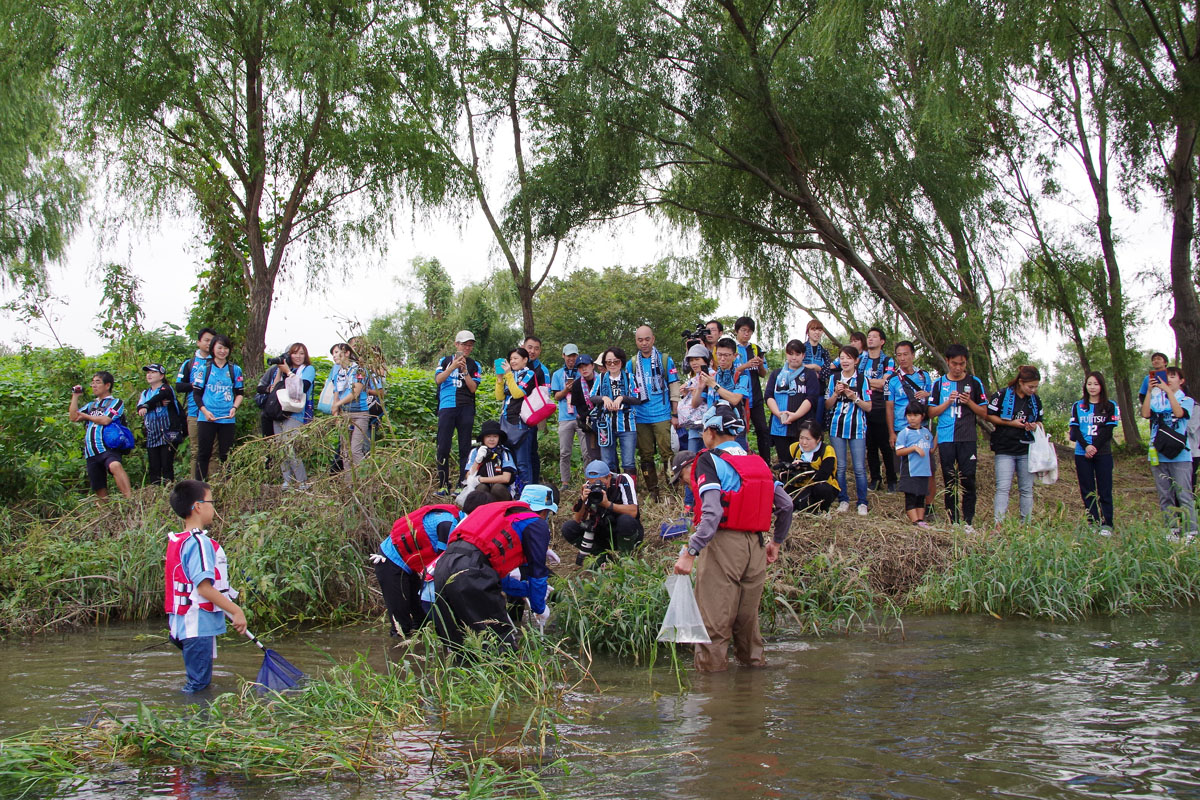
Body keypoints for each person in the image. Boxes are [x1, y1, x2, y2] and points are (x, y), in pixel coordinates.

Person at [672, 404, 793, 672]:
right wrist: (776, 542)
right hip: (756, 547)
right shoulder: (757, 461)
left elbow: (712, 513)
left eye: (704, 430)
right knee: (748, 628)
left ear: (712, 432)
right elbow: (786, 506)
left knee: (713, 627)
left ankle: (714, 700)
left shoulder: (709, 459)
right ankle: (751, 695)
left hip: (723, 545)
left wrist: (690, 552)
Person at [431, 484, 556, 648]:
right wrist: (539, 607)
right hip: (470, 573)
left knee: (462, 649)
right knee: (501, 647)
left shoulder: (498, 517)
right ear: (545, 512)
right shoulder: (536, 523)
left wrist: (526, 590)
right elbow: (537, 572)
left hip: (443, 569)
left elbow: (496, 579)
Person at [165, 479, 247, 693]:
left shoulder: (179, 539)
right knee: (198, 686)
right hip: (196, 626)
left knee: (199, 681)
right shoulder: (199, 543)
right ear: (198, 506)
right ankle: (191, 720)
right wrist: (236, 611)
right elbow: (203, 588)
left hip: (181, 625)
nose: (214, 507)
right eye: (211, 501)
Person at [371, 503, 462, 637]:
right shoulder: (447, 525)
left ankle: (419, 651)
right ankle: (396, 653)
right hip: (389, 560)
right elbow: (442, 567)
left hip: (410, 564)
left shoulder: (454, 521)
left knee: (422, 619)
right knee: (400, 626)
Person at [928, 343, 989, 531]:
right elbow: (930, 413)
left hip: (967, 437)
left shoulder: (974, 382)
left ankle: (968, 521)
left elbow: (984, 412)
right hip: (946, 437)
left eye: (962, 364)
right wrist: (948, 401)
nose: (958, 368)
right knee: (949, 478)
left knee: (968, 478)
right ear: (947, 361)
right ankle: (953, 520)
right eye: (954, 363)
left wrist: (969, 402)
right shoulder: (938, 384)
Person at [1141, 367, 1196, 539]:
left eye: (1173, 376)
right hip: (1157, 452)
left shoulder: (1186, 400)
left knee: (1184, 494)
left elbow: (1179, 413)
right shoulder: (1156, 399)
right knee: (1165, 494)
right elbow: (1145, 413)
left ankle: (1190, 532)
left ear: (1181, 381)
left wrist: (1167, 391)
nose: (1169, 379)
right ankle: (1171, 530)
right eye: (1167, 376)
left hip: (1180, 454)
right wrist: (1150, 391)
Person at [986, 365, 1043, 525]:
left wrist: (1034, 425)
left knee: (1026, 489)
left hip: (1026, 448)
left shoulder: (1035, 400)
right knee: (1003, 487)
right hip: (1005, 448)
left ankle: (1026, 523)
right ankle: (999, 523)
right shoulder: (1002, 395)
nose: (1033, 390)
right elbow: (990, 416)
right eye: (1030, 386)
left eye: (1035, 387)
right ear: (1020, 382)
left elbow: (1040, 421)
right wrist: (1012, 423)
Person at [886, 340, 936, 516]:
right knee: (907, 471)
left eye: (905, 354)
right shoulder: (892, 380)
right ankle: (912, 507)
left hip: (922, 429)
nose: (902, 358)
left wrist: (928, 394)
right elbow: (889, 406)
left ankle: (928, 506)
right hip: (902, 429)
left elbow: (934, 399)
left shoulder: (924, 376)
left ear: (913, 355)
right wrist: (892, 432)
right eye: (898, 355)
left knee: (928, 469)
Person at [631, 326, 680, 499]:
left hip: (662, 414)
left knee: (667, 453)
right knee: (646, 454)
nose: (644, 343)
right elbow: (630, 390)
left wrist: (675, 414)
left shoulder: (665, 360)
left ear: (653, 339)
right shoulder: (632, 363)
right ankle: (653, 490)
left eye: (647, 339)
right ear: (636, 341)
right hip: (641, 416)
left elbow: (674, 386)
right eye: (640, 340)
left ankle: (673, 488)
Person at [562, 459, 643, 564]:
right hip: (602, 531)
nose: (598, 487)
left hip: (624, 531)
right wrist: (583, 500)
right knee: (568, 528)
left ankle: (626, 557)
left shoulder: (622, 480)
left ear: (609, 477)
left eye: (600, 483)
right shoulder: (588, 486)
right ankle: (603, 558)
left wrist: (607, 504)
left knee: (626, 520)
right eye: (593, 483)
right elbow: (578, 519)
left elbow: (633, 511)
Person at [1069, 372, 1120, 533]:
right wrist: (1086, 447)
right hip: (1082, 453)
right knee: (1087, 489)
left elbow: (1108, 431)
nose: (1092, 387)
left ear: (1102, 386)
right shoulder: (1078, 406)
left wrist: (1094, 447)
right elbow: (1075, 429)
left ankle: (1107, 523)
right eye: (1089, 383)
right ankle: (1093, 522)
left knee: (1104, 488)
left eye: (1096, 384)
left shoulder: (1110, 405)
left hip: (1103, 453)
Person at [70, 371, 133, 498]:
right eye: (92, 383)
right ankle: (105, 512)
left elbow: (105, 420)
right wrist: (75, 396)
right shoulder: (91, 405)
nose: (94, 385)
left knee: (115, 465)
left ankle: (130, 499)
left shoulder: (116, 402)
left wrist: (86, 416)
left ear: (107, 385)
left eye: (97, 382)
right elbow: (73, 417)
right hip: (91, 451)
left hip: (107, 447)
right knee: (99, 487)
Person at [824, 345, 871, 515]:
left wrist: (854, 397)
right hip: (837, 427)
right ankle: (843, 499)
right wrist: (836, 394)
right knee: (840, 466)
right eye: (842, 358)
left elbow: (869, 407)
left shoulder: (862, 380)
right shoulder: (833, 378)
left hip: (857, 427)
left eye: (848, 358)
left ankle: (862, 502)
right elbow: (827, 405)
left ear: (856, 361)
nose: (845, 361)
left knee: (859, 467)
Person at [192, 334, 244, 480]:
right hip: (206, 417)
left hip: (227, 418)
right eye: (219, 347)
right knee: (203, 453)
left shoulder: (235, 369)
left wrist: (234, 407)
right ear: (213, 349)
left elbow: (240, 393)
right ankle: (200, 488)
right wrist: (205, 411)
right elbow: (196, 394)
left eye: (226, 348)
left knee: (226, 454)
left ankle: (227, 487)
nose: (223, 351)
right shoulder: (204, 368)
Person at [435, 331, 482, 494]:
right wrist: (453, 367)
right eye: (464, 344)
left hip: (466, 407)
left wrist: (464, 371)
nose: (467, 348)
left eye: (470, 345)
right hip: (447, 406)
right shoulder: (445, 360)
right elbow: (438, 379)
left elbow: (473, 388)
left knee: (465, 447)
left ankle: (462, 483)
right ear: (456, 345)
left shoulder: (475, 365)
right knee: (442, 446)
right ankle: (442, 484)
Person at [764, 339, 819, 464]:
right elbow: (768, 396)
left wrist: (796, 415)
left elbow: (812, 398)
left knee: (802, 463)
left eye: (797, 354)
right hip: (780, 425)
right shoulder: (776, 374)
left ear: (803, 355)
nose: (794, 357)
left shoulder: (809, 374)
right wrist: (778, 414)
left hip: (802, 425)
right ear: (786, 354)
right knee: (784, 462)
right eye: (791, 354)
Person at [858, 327, 897, 492]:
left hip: (881, 407)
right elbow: (857, 379)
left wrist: (866, 382)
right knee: (870, 446)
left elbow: (884, 383)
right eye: (869, 336)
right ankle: (875, 478)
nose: (870, 339)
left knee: (885, 446)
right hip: (864, 407)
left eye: (874, 337)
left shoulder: (888, 361)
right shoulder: (861, 360)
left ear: (882, 341)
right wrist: (874, 382)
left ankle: (892, 479)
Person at [175, 327, 216, 480]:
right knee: (196, 451)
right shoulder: (190, 363)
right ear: (198, 342)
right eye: (206, 340)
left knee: (214, 451)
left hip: (215, 413)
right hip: (194, 411)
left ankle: (215, 485)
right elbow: (179, 386)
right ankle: (195, 486)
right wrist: (197, 384)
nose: (209, 343)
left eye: (212, 341)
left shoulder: (219, 362)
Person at [274, 343, 316, 490]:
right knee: (280, 447)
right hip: (279, 412)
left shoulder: (308, 369)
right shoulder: (285, 369)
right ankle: (287, 480)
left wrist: (289, 373)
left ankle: (301, 480)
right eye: (295, 353)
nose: (298, 357)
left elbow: (302, 388)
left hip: (296, 413)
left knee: (290, 448)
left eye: (301, 354)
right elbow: (274, 388)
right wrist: (280, 371)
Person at [592, 347, 640, 475]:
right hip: (605, 425)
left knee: (628, 462)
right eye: (608, 362)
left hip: (627, 424)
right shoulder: (601, 378)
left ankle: (629, 490)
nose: (612, 365)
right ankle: (612, 491)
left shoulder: (630, 377)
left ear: (622, 362)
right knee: (607, 462)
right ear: (604, 364)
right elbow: (592, 397)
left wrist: (622, 398)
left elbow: (637, 398)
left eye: (616, 361)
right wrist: (604, 398)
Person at [696, 337, 751, 449]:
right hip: (713, 428)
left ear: (734, 356)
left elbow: (735, 399)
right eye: (719, 354)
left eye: (726, 355)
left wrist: (714, 385)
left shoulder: (741, 376)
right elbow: (696, 403)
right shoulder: (713, 376)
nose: (722, 359)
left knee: (737, 460)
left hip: (734, 427)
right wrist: (700, 388)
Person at [497, 346, 538, 486]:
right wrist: (499, 378)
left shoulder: (529, 374)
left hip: (521, 424)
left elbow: (517, 394)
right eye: (510, 359)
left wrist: (508, 374)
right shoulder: (511, 375)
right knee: (510, 462)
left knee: (522, 463)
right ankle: (514, 493)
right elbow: (499, 396)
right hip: (506, 422)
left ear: (525, 360)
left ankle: (527, 496)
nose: (512, 362)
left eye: (516, 358)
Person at [733, 317, 771, 462]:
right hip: (738, 398)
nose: (746, 334)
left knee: (763, 430)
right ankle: (742, 463)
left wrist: (760, 364)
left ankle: (766, 463)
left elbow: (763, 373)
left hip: (755, 396)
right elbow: (727, 371)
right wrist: (746, 365)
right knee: (740, 431)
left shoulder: (756, 349)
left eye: (749, 331)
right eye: (743, 330)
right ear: (737, 331)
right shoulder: (731, 348)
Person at [137, 363, 183, 486]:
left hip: (168, 432)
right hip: (152, 434)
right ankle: (155, 493)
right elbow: (139, 408)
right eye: (148, 373)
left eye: (153, 372)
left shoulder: (166, 388)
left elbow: (161, 396)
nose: (149, 375)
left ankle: (169, 491)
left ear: (161, 375)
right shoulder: (145, 393)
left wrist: (148, 406)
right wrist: (153, 405)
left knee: (166, 464)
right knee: (154, 466)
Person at [327, 342, 369, 476]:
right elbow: (336, 395)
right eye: (333, 353)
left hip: (360, 414)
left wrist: (338, 405)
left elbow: (355, 392)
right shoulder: (337, 373)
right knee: (345, 451)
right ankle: (349, 483)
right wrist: (336, 414)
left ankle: (364, 481)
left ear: (347, 353)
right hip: (344, 415)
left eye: (337, 352)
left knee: (355, 450)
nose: (334, 356)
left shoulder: (359, 370)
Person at [784, 420, 839, 513]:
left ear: (818, 439)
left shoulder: (827, 451)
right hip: (799, 485)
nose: (804, 442)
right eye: (801, 438)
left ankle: (822, 509)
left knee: (822, 488)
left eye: (808, 439)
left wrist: (806, 468)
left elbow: (823, 476)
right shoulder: (794, 447)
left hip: (820, 485)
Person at [550, 343, 584, 493]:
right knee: (565, 452)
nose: (571, 359)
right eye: (569, 356)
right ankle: (565, 481)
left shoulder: (583, 372)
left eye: (574, 356)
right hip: (565, 416)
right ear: (563, 356)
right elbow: (556, 396)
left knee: (587, 451)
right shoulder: (557, 374)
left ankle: (590, 479)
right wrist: (566, 389)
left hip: (581, 415)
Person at [894, 404, 934, 527]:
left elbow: (931, 449)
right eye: (909, 415)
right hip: (911, 470)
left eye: (915, 415)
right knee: (911, 496)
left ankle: (920, 520)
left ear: (922, 417)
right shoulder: (904, 433)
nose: (912, 418)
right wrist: (913, 448)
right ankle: (915, 520)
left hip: (924, 471)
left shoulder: (926, 432)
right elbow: (899, 451)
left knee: (921, 496)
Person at [464, 420, 520, 501]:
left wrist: (480, 479)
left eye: (495, 436)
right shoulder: (474, 452)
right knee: (481, 488)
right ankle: (484, 512)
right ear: (483, 438)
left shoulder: (504, 452)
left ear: (499, 438)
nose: (491, 439)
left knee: (497, 488)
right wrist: (477, 460)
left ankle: (505, 510)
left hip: (502, 490)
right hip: (482, 488)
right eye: (488, 436)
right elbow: (469, 476)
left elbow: (506, 478)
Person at [567, 354, 603, 466]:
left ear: (592, 366)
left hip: (604, 423)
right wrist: (588, 418)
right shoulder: (577, 384)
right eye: (581, 367)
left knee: (608, 454)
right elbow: (578, 406)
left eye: (586, 365)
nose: (584, 369)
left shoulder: (602, 380)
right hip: (589, 425)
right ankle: (596, 480)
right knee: (593, 454)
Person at [524, 337, 551, 484]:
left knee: (530, 450)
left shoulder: (542, 370)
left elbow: (546, 394)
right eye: (529, 347)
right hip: (514, 415)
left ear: (540, 350)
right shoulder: (515, 363)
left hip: (531, 416)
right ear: (523, 346)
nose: (532, 351)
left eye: (536, 348)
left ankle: (532, 483)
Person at [679, 344, 713, 453]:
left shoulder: (712, 376)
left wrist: (697, 390)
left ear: (706, 360)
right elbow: (694, 403)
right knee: (694, 459)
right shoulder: (694, 379)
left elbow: (695, 404)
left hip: (710, 426)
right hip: (695, 426)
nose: (694, 363)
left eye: (697, 359)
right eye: (691, 360)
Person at [801, 319, 832, 430]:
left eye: (819, 330)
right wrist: (815, 367)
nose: (816, 332)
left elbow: (826, 372)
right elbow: (795, 366)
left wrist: (816, 370)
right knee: (803, 424)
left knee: (817, 425)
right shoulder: (801, 348)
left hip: (819, 392)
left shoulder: (824, 351)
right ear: (808, 332)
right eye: (813, 329)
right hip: (802, 391)